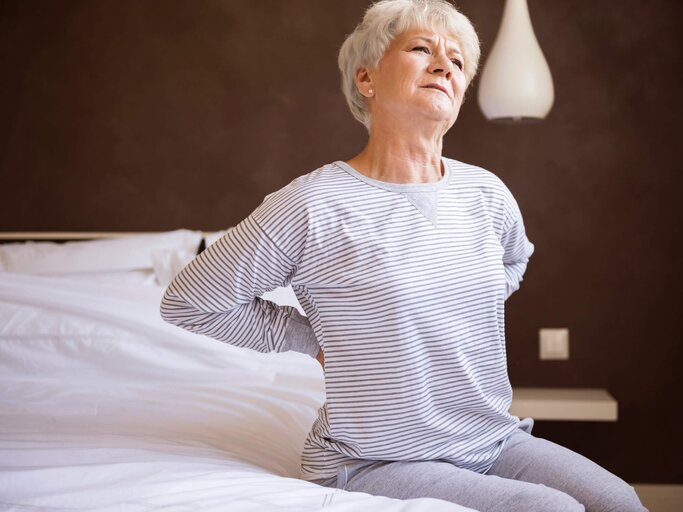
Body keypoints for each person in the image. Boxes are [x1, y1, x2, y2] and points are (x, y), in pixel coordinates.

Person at [160, 0, 647, 510]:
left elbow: (514, 260)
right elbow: (189, 302)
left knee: (620, 501)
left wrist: (447, 305)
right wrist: (310, 338)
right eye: (422, 49)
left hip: (492, 439)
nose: (444, 65)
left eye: (457, 61)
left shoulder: (487, 194)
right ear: (366, 78)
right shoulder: (312, 204)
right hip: (374, 460)